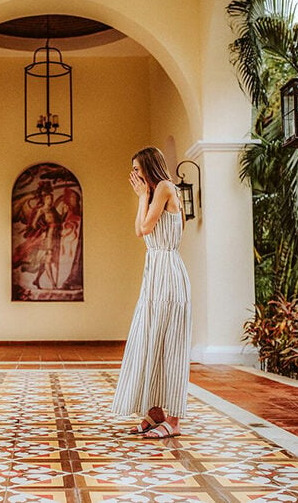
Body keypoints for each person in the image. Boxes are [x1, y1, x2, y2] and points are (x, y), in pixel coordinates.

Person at [111, 146, 192, 439]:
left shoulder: (166, 187)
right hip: (155, 273)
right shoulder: (152, 193)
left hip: (168, 273)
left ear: (148, 167)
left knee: (170, 344)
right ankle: (155, 412)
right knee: (150, 340)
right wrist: (142, 197)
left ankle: (174, 420)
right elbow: (139, 230)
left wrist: (142, 196)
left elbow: (145, 226)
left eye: (136, 168)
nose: (133, 175)